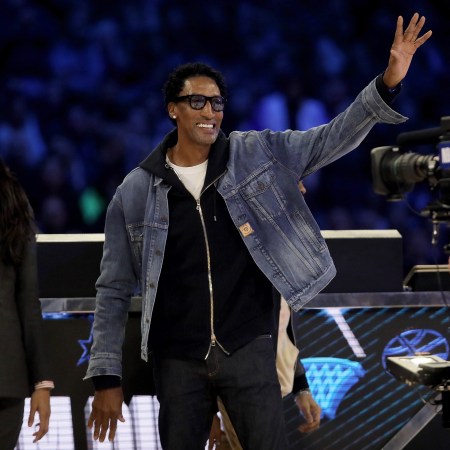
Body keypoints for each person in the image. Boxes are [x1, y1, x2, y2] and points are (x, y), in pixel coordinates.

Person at [85, 13, 432, 450]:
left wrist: (385, 84)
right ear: (172, 109)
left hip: (248, 348)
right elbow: (113, 289)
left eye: (217, 103)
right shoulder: (135, 192)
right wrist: (106, 377)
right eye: (198, 102)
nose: (211, 112)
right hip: (177, 359)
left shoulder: (255, 153)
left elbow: (329, 139)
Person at [0, 159, 54, 449]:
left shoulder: (11, 203)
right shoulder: (13, 201)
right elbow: (28, 301)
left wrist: (42, 384)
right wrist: (41, 382)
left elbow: (27, 299)